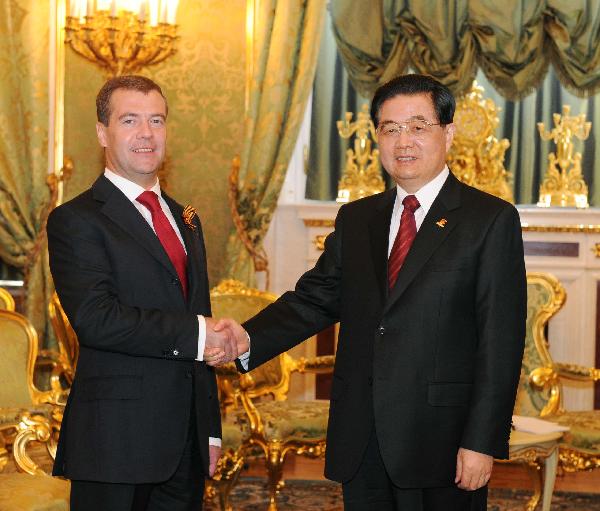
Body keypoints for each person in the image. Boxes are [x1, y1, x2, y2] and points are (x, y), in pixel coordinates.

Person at [210, 74, 526, 510]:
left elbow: (501, 342)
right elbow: (315, 298)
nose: (403, 142)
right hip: (362, 437)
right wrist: (245, 338)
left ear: (448, 133)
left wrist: (481, 441)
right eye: (390, 129)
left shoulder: (489, 220)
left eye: (418, 126)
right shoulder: (358, 219)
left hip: (442, 440)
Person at [47, 75, 237, 511]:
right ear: (102, 133)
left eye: (157, 120)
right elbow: (97, 320)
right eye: (130, 120)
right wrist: (197, 335)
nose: (147, 134)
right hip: (116, 442)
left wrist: (208, 429)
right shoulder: (76, 220)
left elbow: (199, 318)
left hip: (185, 445)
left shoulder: (186, 218)